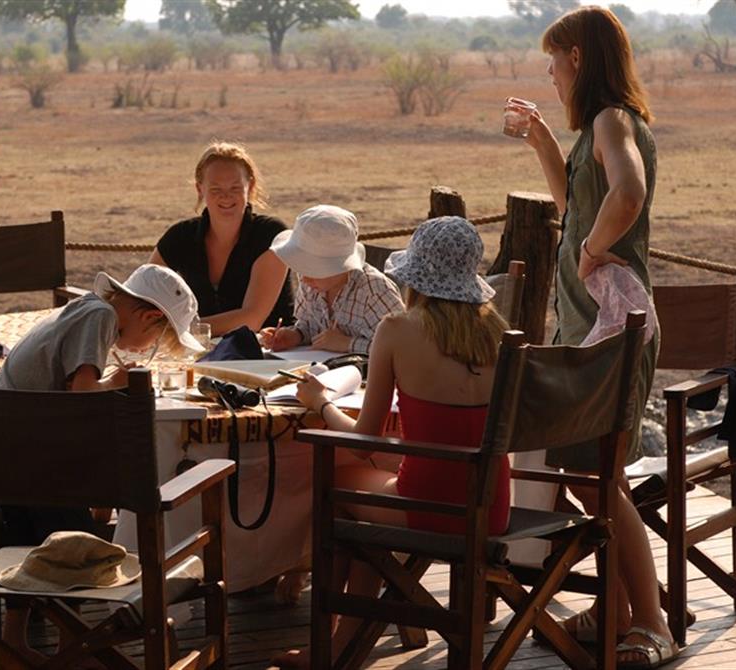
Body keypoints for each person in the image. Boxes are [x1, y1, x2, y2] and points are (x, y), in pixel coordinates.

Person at [273, 217, 511, 668]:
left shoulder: (399, 329)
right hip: (491, 504)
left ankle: (336, 645)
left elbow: (363, 441)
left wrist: (321, 403)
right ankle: (350, 639)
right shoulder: (499, 333)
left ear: (416, 277)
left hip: (429, 506)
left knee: (340, 481)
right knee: (373, 487)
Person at [518, 6, 676, 668]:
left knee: (601, 477)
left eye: (554, 61)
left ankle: (653, 622)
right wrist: (544, 144)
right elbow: (574, 208)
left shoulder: (613, 119)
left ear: (578, 58)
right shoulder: (597, 129)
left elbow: (628, 193)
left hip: (614, 331)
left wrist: (590, 252)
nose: (551, 75)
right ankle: (612, 608)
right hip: (593, 331)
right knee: (585, 475)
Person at [0, 263, 203, 662]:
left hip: (9, 454)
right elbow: (82, 395)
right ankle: (70, 645)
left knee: (22, 542)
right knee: (75, 546)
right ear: (149, 316)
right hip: (36, 458)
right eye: (155, 340)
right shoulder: (101, 317)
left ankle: (13, 640)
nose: (144, 348)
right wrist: (119, 384)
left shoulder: (86, 309)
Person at [150, 141, 294, 335]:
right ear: (199, 189)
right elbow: (143, 293)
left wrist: (179, 331)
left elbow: (252, 319)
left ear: (250, 186)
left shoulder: (270, 234)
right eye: (216, 189)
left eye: (235, 188)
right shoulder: (180, 236)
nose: (226, 197)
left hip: (270, 356)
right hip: (198, 354)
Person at [260, 204, 404, 354]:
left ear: (340, 266)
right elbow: (310, 326)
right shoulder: (311, 283)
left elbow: (403, 347)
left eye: (313, 270)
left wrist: (348, 344)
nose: (303, 279)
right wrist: (295, 335)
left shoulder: (375, 292)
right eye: (302, 268)